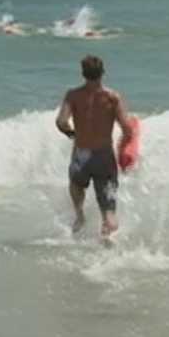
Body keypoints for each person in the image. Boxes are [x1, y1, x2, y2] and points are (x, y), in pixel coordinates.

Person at [55, 55, 134, 238]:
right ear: (103, 73)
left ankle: (79, 216)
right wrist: (124, 148)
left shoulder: (73, 95)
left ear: (83, 74)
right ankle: (108, 234)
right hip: (104, 155)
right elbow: (127, 129)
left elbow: (61, 122)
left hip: (81, 154)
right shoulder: (112, 97)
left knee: (76, 184)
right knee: (108, 208)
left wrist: (72, 134)